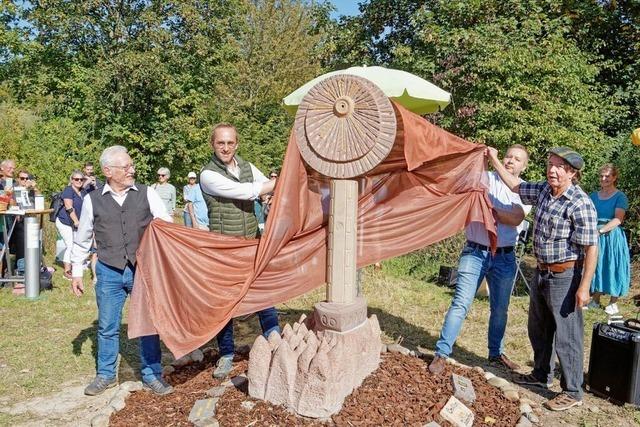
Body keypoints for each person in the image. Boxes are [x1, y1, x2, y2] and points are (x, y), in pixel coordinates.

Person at [487, 146, 598, 411]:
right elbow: (514, 185)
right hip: (542, 271)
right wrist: (493, 158)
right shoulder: (544, 191)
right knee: (539, 328)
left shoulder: (580, 202)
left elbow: (592, 247)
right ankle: (540, 374)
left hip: (566, 275)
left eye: (559, 166)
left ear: (572, 172)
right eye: (550, 164)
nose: (552, 170)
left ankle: (572, 391)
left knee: (567, 336)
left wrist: (584, 287)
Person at [70, 145, 174, 396]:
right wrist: (76, 271)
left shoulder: (147, 194)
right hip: (108, 270)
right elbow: (83, 238)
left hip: (142, 270)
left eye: (131, 165)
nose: (132, 170)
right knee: (107, 325)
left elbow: (167, 226)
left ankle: (152, 374)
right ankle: (105, 374)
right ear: (108, 171)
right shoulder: (91, 200)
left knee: (148, 324)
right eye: (126, 167)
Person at [429, 145, 531, 375]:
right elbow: (459, 185)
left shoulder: (524, 190)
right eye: (508, 156)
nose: (510, 161)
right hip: (475, 252)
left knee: (500, 309)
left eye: (517, 159)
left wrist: (486, 207)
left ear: (524, 166)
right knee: (460, 303)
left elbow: (514, 218)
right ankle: (442, 353)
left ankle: (495, 354)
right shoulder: (483, 177)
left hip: (504, 257)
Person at [200, 123, 280, 379]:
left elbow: (264, 184)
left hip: (251, 242)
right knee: (225, 302)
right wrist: (276, 183)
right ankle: (226, 353)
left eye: (230, 143)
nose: (225, 147)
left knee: (262, 293)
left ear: (237, 144)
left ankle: (273, 339)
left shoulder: (246, 166)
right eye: (220, 143)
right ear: (212, 144)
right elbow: (247, 191)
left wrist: (273, 187)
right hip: (224, 248)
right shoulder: (207, 175)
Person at [586, 164, 630, 315]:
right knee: (597, 266)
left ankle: (613, 303)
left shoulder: (620, 197)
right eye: (601, 176)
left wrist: (601, 230)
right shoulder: (592, 196)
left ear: (614, 178)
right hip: (595, 235)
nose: (603, 179)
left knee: (613, 266)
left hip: (611, 236)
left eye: (607, 176)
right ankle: (596, 300)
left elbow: (618, 219)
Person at [56, 170, 87, 279]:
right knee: (70, 245)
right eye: (76, 179)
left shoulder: (83, 191)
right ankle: (67, 271)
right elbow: (69, 206)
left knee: (76, 244)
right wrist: (76, 221)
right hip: (65, 221)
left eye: (81, 179)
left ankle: (75, 265)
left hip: (74, 223)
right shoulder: (68, 190)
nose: (79, 181)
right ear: (71, 180)